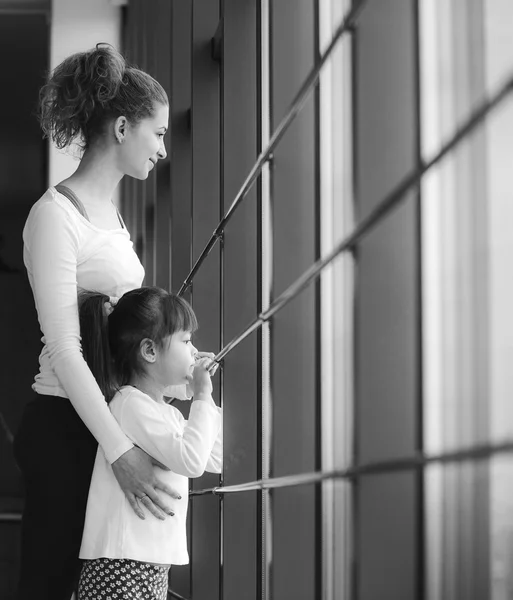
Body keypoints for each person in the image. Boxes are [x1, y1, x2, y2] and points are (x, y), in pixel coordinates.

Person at [13, 44, 203, 599]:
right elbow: (67, 351)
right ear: (122, 127)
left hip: (106, 423)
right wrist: (120, 452)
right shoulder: (54, 217)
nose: (164, 149)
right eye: (160, 133)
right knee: (50, 586)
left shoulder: (115, 221)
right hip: (66, 426)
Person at [76, 287, 222, 599]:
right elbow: (192, 461)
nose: (194, 350)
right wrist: (201, 395)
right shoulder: (131, 405)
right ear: (150, 351)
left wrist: (202, 399)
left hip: (149, 563)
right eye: (185, 341)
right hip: (122, 565)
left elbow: (216, 456)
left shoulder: (164, 413)